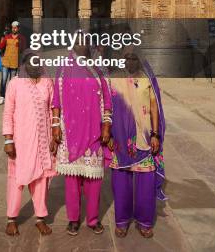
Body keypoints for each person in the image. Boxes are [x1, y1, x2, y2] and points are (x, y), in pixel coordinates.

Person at [51, 42, 112, 236]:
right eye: (79, 43)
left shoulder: (97, 70)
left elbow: (108, 99)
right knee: (72, 181)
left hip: (94, 132)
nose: (82, 46)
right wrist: (55, 127)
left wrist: (107, 125)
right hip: (70, 133)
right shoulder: (63, 70)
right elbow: (56, 102)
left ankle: (93, 219)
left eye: (85, 43)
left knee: (94, 182)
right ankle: (73, 220)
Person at [109, 46, 166, 239]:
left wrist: (156, 134)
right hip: (120, 139)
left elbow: (154, 106)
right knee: (121, 182)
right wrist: (107, 133)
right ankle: (122, 221)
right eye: (127, 57)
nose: (130, 61)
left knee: (145, 183)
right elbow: (107, 107)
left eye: (134, 58)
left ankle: (144, 222)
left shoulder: (147, 78)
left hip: (144, 139)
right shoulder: (114, 78)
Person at [2, 50, 56, 236]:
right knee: (17, 180)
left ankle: (40, 218)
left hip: (42, 139)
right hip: (21, 140)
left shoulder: (47, 82)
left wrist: (54, 135)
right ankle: (11, 218)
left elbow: (52, 109)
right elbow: (8, 112)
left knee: (42, 179)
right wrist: (8, 139)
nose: (35, 66)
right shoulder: (15, 84)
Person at [0, 21, 26, 105]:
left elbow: (23, 50)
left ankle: (10, 97)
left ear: (18, 28)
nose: (14, 29)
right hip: (6, 61)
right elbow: (1, 47)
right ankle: (2, 96)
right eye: (13, 27)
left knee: (12, 81)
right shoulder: (7, 37)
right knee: (4, 80)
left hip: (15, 62)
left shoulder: (22, 38)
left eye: (16, 27)